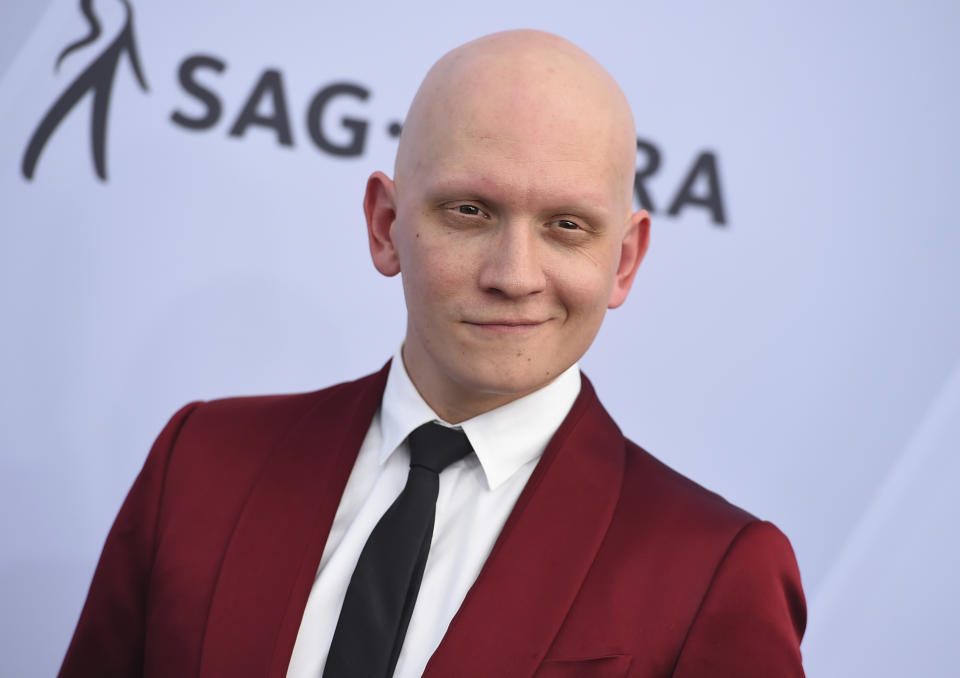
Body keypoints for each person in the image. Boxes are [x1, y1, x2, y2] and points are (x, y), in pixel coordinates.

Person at [59, 30, 806, 678]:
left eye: (567, 225)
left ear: (625, 261)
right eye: (469, 212)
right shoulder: (200, 465)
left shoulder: (715, 570)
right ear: (385, 226)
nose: (513, 275)